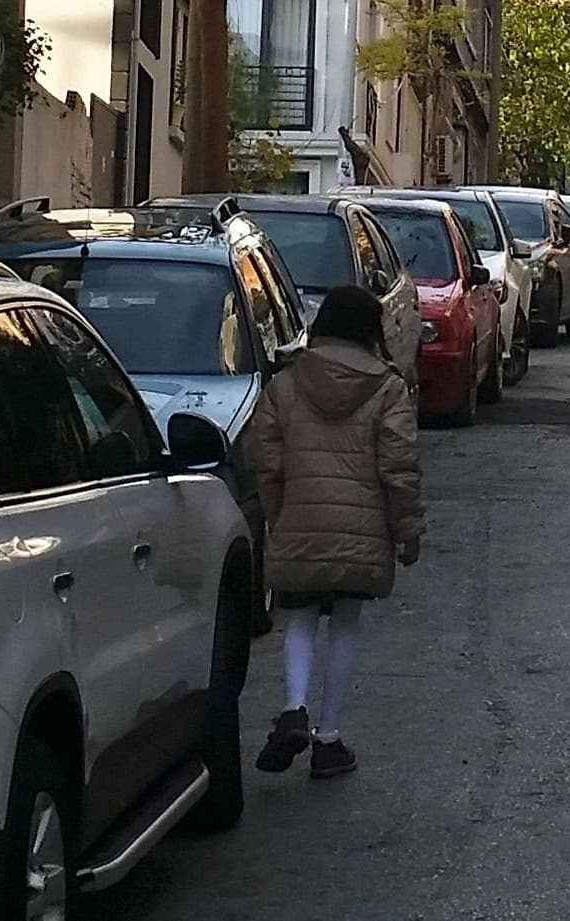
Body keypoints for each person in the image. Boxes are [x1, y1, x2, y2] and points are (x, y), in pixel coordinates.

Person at [250, 283, 423, 781]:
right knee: (346, 620)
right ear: (371, 330)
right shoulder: (387, 387)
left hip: (298, 519)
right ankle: (328, 739)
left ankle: (293, 707)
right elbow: (399, 465)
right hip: (362, 530)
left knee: (298, 615)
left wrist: (278, 513)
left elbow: (266, 458)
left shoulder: (285, 383)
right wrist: (406, 529)